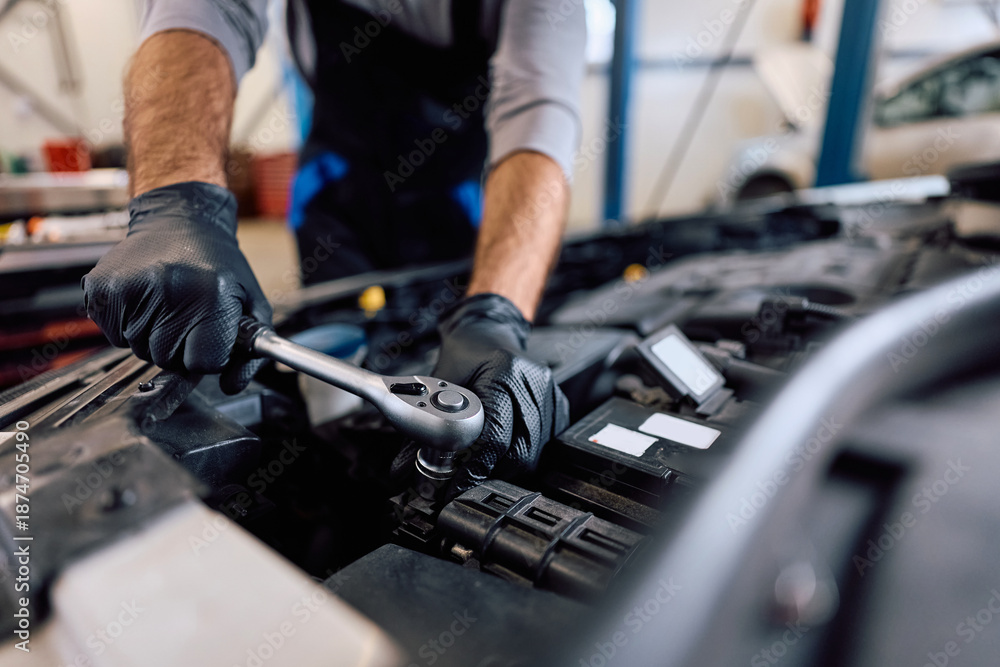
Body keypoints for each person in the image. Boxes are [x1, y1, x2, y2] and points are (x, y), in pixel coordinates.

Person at [82, 0, 586, 496]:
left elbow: (540, 108)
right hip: (337, 195)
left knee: (453, 341)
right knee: (340, 330)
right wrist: (177, 203)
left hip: (448, 206)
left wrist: (496, 310)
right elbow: (202, 10)